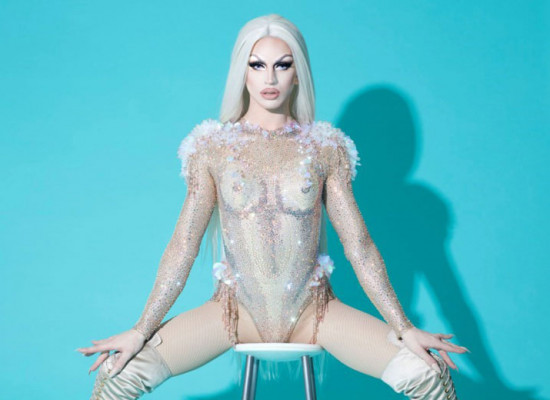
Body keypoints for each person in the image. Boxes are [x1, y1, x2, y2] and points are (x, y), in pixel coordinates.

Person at [77, 14, 469, 399]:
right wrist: (141, 329)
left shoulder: (325, 148)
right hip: (232, 314)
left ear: (298, 74)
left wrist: (404, 327)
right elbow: (183, 245)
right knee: (117, 376)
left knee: (427, 375)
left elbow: (359, 246)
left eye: (282, 65)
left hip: (317, 314)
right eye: (257, 65)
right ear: (242, 72)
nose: (270, 78)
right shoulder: (212, 148)